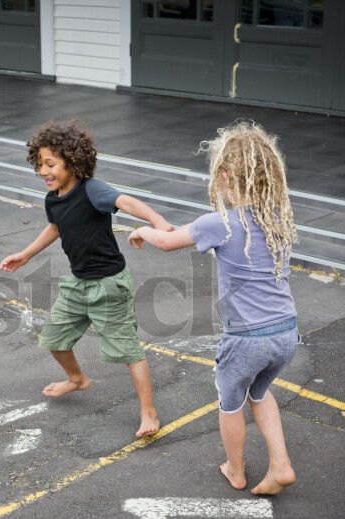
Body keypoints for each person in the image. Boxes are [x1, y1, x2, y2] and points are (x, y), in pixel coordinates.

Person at [127, 120, 298, 494]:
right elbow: (197, 229)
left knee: (230, 403)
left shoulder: (220, 223)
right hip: (286, 332)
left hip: (247, 339)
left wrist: (142, 231)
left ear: (223, 177)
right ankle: (280, 464)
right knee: (260, 393)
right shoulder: (274, 220)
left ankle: (235, 470)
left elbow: (168, 242)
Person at [0, 120, 173, 438]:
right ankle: (77, 379)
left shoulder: (92, 190)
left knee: (128, 350)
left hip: (109, 284)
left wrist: (157, 220)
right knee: (53, 339)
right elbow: (55, 227)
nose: (43, 171)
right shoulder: (53, 197)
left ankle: (148, 411)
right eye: (39, 165)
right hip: (78, 282)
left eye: (50, 164)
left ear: (73, 161)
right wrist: (26, 254)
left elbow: (126, 202)